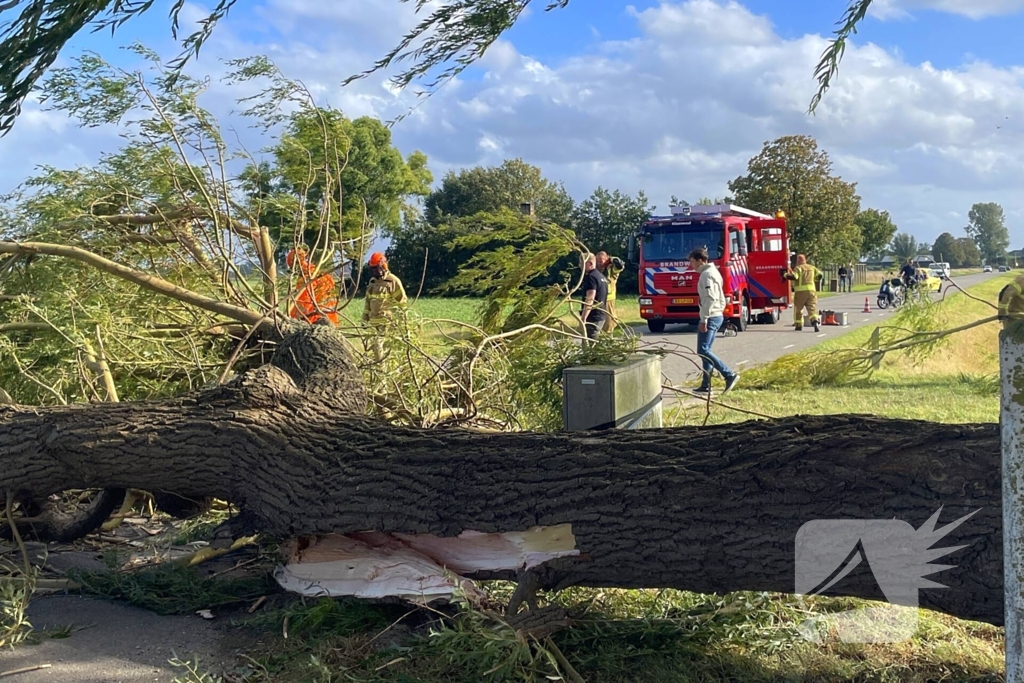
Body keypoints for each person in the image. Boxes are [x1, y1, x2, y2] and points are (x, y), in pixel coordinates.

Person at [690, 248, 740, 395]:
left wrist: (704, 319)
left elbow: (710, 298)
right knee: (706, 351)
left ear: (700, 260)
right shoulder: (713, 271)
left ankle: (729, 375)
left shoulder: (706, 275)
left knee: (703, 350)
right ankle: (706, 384)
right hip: (715, 314)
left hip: (711, 315)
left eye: (692, 261)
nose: (691, 265)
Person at [362, 252, 408, 360]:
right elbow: (368, 302)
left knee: (379, 347)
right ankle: (379, 369)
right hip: (374, 324)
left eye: (375, 269)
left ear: (383, 266)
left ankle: (382, 371)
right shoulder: (372, 282)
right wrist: (364, 320)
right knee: (375, 349)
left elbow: (402, 303)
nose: (373, 271)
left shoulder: (393, 281)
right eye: (372, 269)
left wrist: (404, 326)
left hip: (387, 324)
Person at [286, 246, 339, 326]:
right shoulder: (324, 275)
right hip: (330, 320)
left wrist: (290, 319)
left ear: (295, 266)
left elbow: (302, 304)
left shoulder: (305, 279)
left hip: (315, 321)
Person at [784, 254, 823, 332]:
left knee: (798, 309)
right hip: (812, 291)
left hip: (800, 292)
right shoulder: (812, 267)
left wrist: (785, 275)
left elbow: (794, 277)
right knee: (812, 308)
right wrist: (815, 279)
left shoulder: (798, 268)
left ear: (798, 261)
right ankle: (815, 322)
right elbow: (820, 275)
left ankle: (799, 325)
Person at [580, 254, 608, 342]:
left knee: (589, 345)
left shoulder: (591, 277)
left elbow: (590, 298)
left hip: (593, 317)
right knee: (594, 343)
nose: (579, 265)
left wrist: (583, 318)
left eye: (581, 263)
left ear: (589, 263)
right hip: (601, 316)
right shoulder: (601, 277)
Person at [596, 251, 625, 334]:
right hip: (597, 300)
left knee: (609, 323)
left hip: (608, 301)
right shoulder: (594, 269)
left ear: (606, 260)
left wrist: (612, 259)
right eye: (597, 261)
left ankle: (608, 341)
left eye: (601, 261)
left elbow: (619, 265)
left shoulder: (612, 270)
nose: (599, 264)